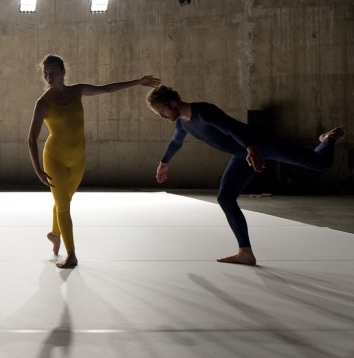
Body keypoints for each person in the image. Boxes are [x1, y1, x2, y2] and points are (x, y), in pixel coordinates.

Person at [146, 85, 345, 266]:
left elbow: (231, 129)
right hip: (243, 153)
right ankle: (245, 253)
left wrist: (251, 148)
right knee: (225, 197)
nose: (162, 116)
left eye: (161, 111)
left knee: (321, 164)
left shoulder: (204, 111)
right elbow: (176, 142)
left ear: (172, 103)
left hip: (260, 143)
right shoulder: (182, 123)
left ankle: (328, 139)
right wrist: (164, 162)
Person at [28, 55, 160, 269]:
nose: (49, 76)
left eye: (53, 72)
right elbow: (31, 138)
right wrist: (38, 170)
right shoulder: (43, 103)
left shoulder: (77, 90)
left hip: (78, 157)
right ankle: (71, 255)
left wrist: (137, 82)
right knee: (63, 206)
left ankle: (54, 234)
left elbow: (107, 89)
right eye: (45, 73)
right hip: (54, 159)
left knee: (65, 201)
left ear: (63, 72)